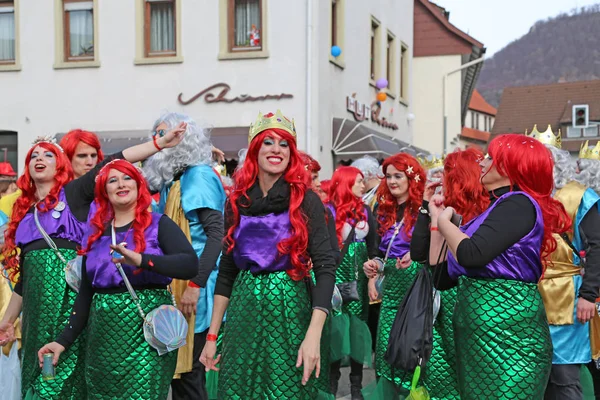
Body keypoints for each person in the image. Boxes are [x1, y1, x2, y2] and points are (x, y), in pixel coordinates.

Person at [0, 128, 185, 399]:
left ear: (60, 165)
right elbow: (24, 281)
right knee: (37, 383)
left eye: (48, 154)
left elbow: (111, 161)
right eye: (33, 156)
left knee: (68, 387)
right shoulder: (27, 216)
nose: (39, 158)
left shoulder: (72, 195)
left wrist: (158, 144)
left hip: (70, 315)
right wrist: (7, 321)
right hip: (36, 323)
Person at [200, 110, 337, 399]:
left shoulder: (305, 200)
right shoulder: (237, 201)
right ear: (254, 150)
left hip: (291, 311)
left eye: (284, 144)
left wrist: (313, 335)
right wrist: (212, 336)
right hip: (243, 311)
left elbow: (325, 267)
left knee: (287, 390)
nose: (276, 149)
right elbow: (226, 273)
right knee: (240, 390)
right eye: (268, 142)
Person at [37, 160, 197, 399]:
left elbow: (189, 264)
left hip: (147, 338)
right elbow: (85, 296)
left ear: (138, 185)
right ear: (105, 191)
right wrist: (62, 341)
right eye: (113, 180)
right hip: (101, 340)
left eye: (127, 178)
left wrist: (142, 260)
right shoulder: (96, 237)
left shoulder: (159, 224)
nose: (120, 184)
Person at [428, 134, 571, 399]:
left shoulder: (519, 203)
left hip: (509, 341)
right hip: (479, 342)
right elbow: (441, 277)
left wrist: (447, 224)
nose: (482, 161)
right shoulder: (496, 207)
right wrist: (437, 224)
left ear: (510, 167)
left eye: (491, 157)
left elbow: (471, 254)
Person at [142, 112, 226, 400]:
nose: (161, 143)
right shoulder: (173, 180)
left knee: (189, 377)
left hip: (197, 289)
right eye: (159, 137)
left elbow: (216, 236)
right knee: (180, 378)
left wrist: (195, 284)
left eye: (168, 136)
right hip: (178, 284)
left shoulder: (198, 176)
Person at [409, 148, 489, 400]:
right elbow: (431, 259)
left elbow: (437, 261)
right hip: (456, 302)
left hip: (465, 302)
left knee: (460, 375)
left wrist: (438, 220)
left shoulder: (479, 212)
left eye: (447, 172)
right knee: (460, 377)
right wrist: (431, 213)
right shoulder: (454, 209)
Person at [532, 133, 600, 400]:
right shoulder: (523, 196)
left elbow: (597, 247)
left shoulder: (579, 196)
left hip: (567, 297)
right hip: (529, 298)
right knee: (536, 378)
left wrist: (588, 295)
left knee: (563, 378)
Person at [362, 153, 425, 397]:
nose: (392, 181)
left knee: (407, 354)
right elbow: (381, 252)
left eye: (398, 176)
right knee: (385, 354)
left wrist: (416, 257)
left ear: (412, 177)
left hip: (414, 292)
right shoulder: (385, 209)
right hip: (388, 293)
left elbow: (433, 254)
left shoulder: (423, 210)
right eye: (388, 176)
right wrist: (373, 267)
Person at [327, 166, 377, 399]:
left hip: (359, 279)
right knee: (335, 330)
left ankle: (356, 386)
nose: (362, 185)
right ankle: (331, 383)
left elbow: (374, 246)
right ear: (345, 183)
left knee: (358, 330)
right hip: (335, 278)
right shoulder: (328, 211)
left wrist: (373, 273)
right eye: (357, 181)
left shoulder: (366, 210)